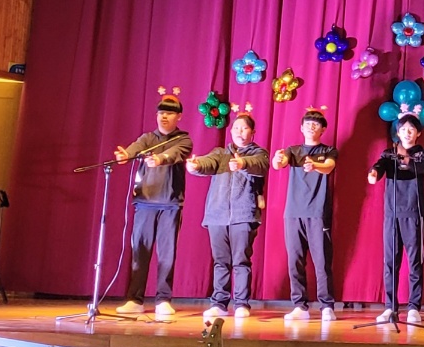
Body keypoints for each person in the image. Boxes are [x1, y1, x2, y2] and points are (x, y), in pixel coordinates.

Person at [113, 89, 194, 318]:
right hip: (145, 203)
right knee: (140, 251)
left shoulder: (184, 139)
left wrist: (160, 159)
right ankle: (134, 299)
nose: (164, 116)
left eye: (169, 113)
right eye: (161, 113)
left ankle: (163, 300)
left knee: (167, 254)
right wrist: (125, 155)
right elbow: (134, 148)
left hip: (170, 204)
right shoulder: (147, 138)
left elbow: (175, 153)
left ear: (179, 117)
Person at [189, 111, 268, 320]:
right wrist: (195, 165)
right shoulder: (220, 153)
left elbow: (260, 166)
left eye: (244, 128)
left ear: (252, 132)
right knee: (220, 261)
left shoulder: (259, 153)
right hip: (217, 216)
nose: (240, 132)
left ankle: (241, 303)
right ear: (231, 131)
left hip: (244, 215)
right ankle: (219, 303)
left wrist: (242, 164)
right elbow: (206, 163)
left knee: (241, 261)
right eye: (236, 128)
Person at [273, 106, 339, 321]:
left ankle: (326, 305)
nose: (311, 126)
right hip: (293, 212)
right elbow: (279, 164)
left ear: (323, 129)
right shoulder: (293, 151)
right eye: (308, 123)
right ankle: (300, 306)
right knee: (295, 261)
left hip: (317, 213)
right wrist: (277, 159)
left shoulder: (328, 151)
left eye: (316, 124)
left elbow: (329, 166)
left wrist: (315, 166)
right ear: (301, 128)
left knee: (322, 261)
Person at [369, 115, 424, 324]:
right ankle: (390, 307)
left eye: (411, 129)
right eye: (403, 129)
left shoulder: (423, 154)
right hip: (392, 214)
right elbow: (379, 166)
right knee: (390, 262)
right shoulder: (389, 154)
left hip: (413, 213)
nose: (407, 132)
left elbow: (419, 168)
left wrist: (404, 157)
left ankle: (414, 307)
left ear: (418, 133)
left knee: (414, 262)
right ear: (397, 132)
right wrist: (374, 172)